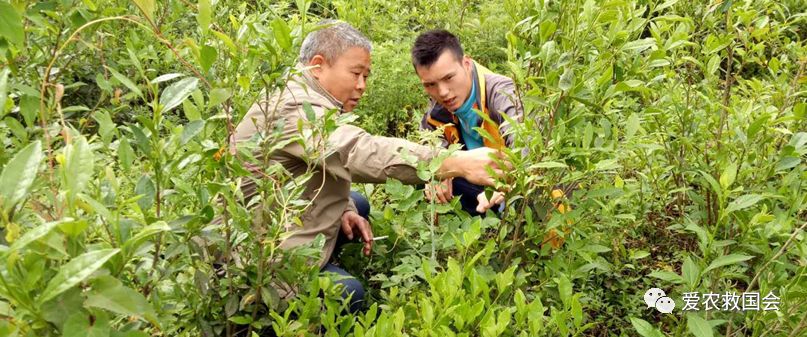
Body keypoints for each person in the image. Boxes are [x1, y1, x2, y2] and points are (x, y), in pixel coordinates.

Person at [233, 20, 507, 313]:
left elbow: (310, 167)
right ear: (317, 65)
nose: (362, 85)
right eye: (356, 73)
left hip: (276, 217)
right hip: (254, 260)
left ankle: (329, 246)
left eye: (366, 75)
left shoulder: (300, 93)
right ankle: (279, 303)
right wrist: (451, 162)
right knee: (350, 295)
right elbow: (354, 150)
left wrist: (344, 209)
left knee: (357, 204)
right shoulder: (294, 108)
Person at [411, 30, 524, 216]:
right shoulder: (438, 110)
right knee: (422, 173)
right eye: (430, 85)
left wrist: (509, 182)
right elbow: (428, 142)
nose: (443, 92)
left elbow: (527, 146)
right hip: (479, 184)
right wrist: (441, 170)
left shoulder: (502, 93)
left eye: (448, 78)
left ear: (466, 64)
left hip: (513, 185)